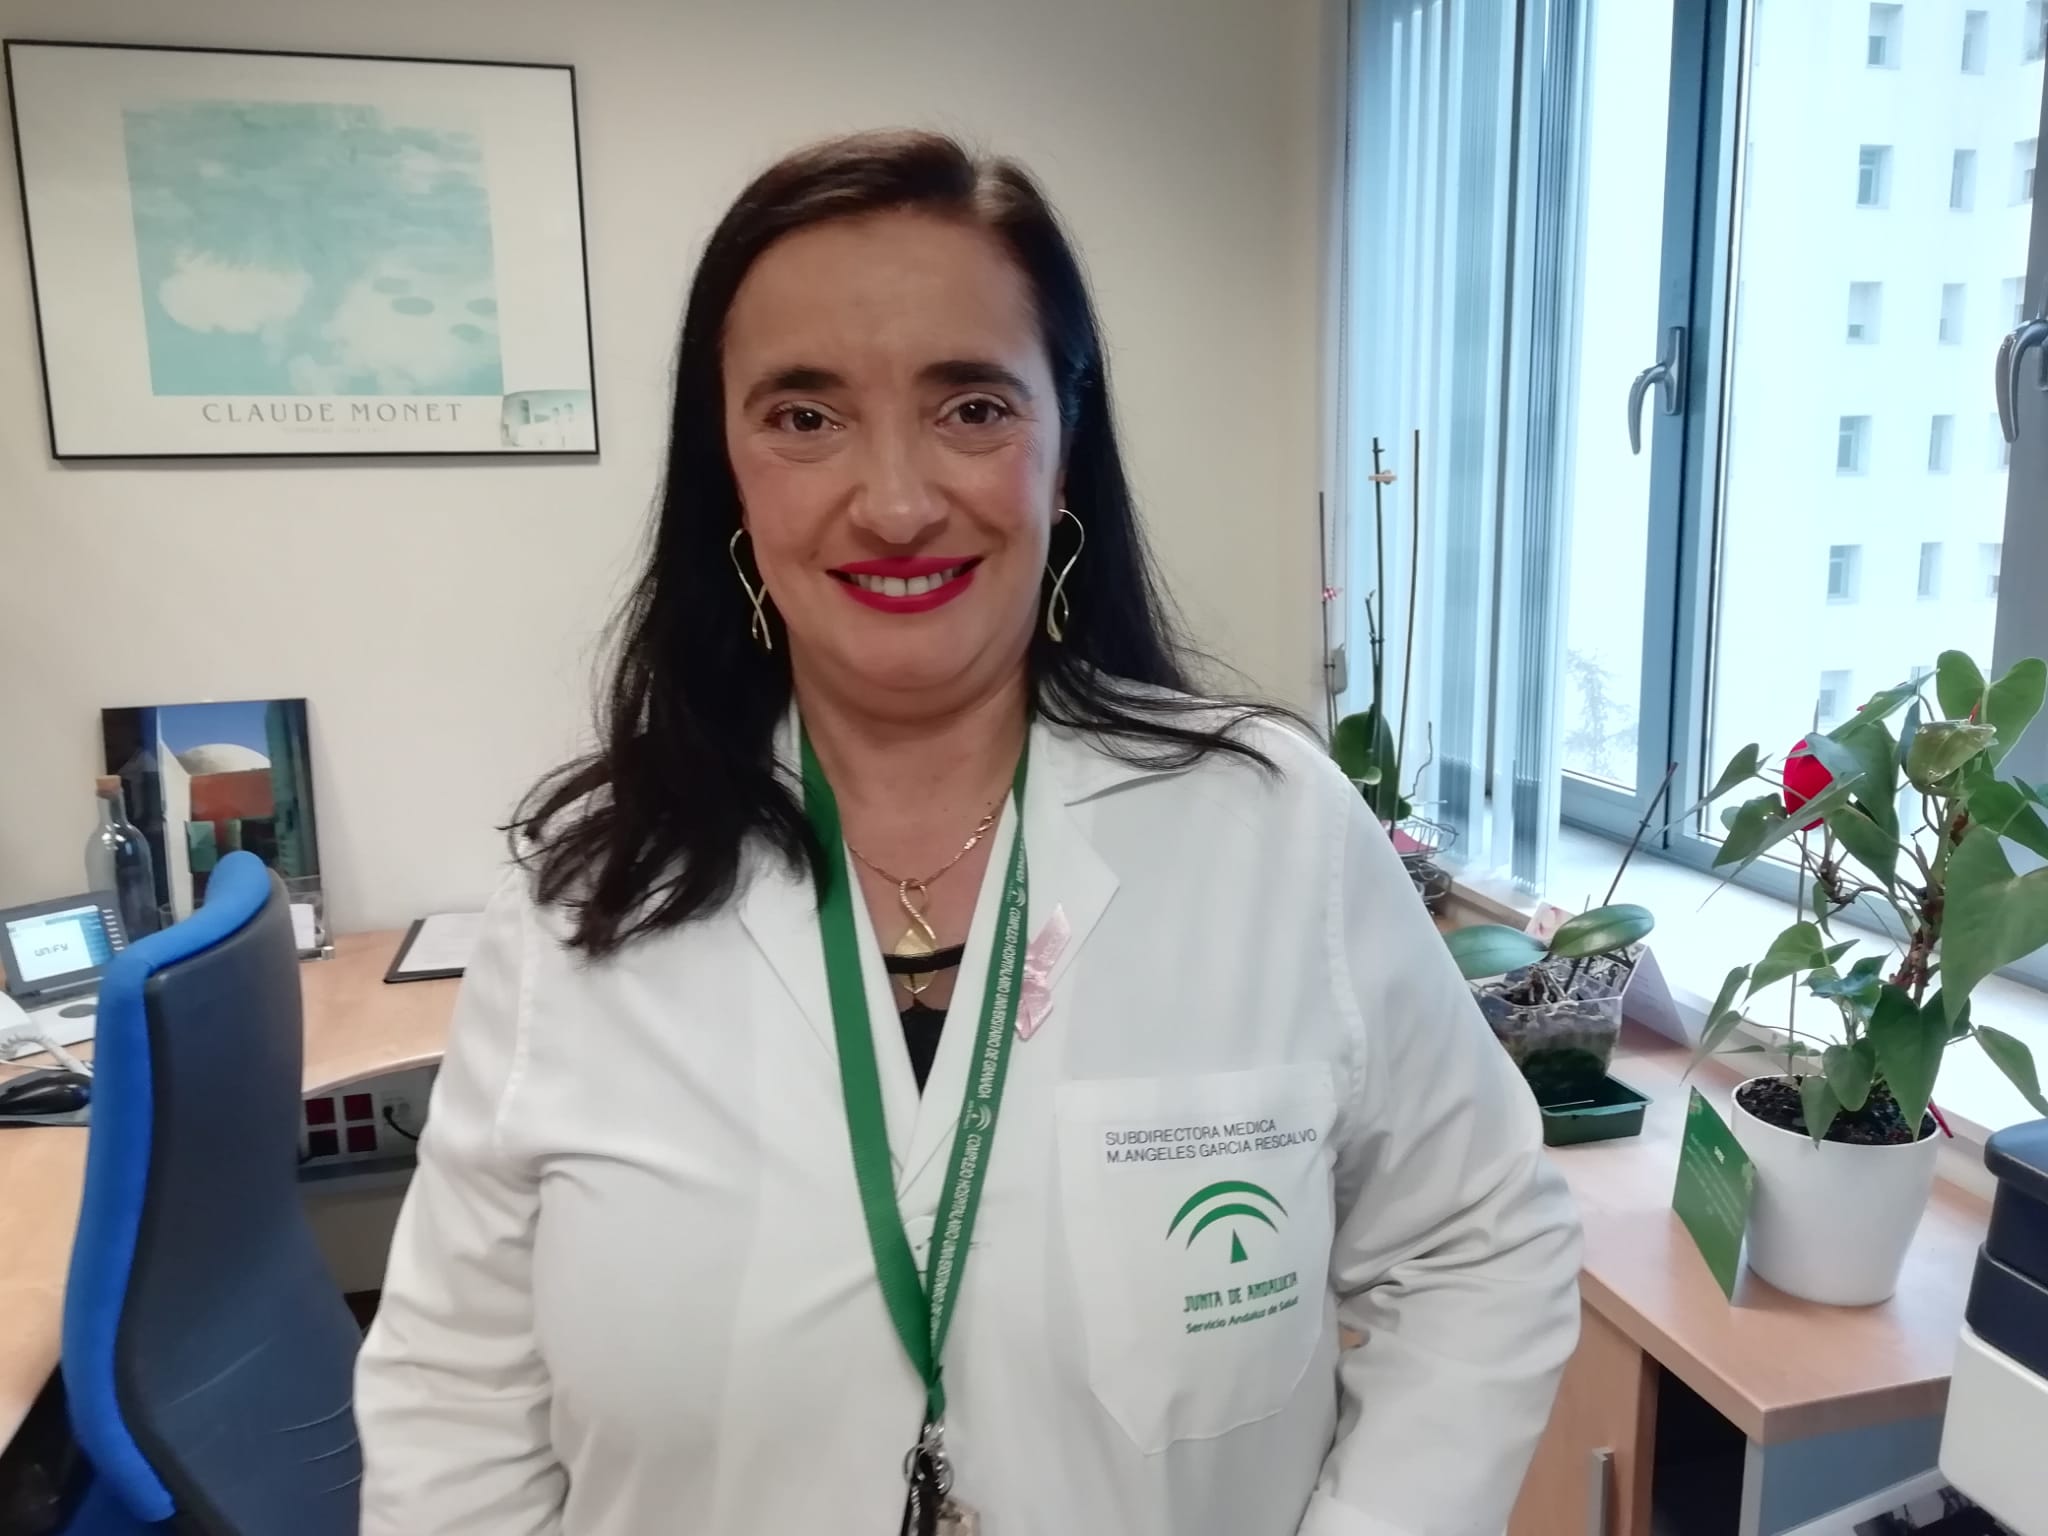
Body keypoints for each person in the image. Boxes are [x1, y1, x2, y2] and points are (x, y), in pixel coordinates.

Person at [354, 129, 1581, 1536]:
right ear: (729, 475)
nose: (893, 502)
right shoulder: (587, 899)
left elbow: (1480, 1247)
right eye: (803, 416)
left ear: (1064, 456)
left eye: (973, 408)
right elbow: (455, 1401)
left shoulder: (1269, 829)